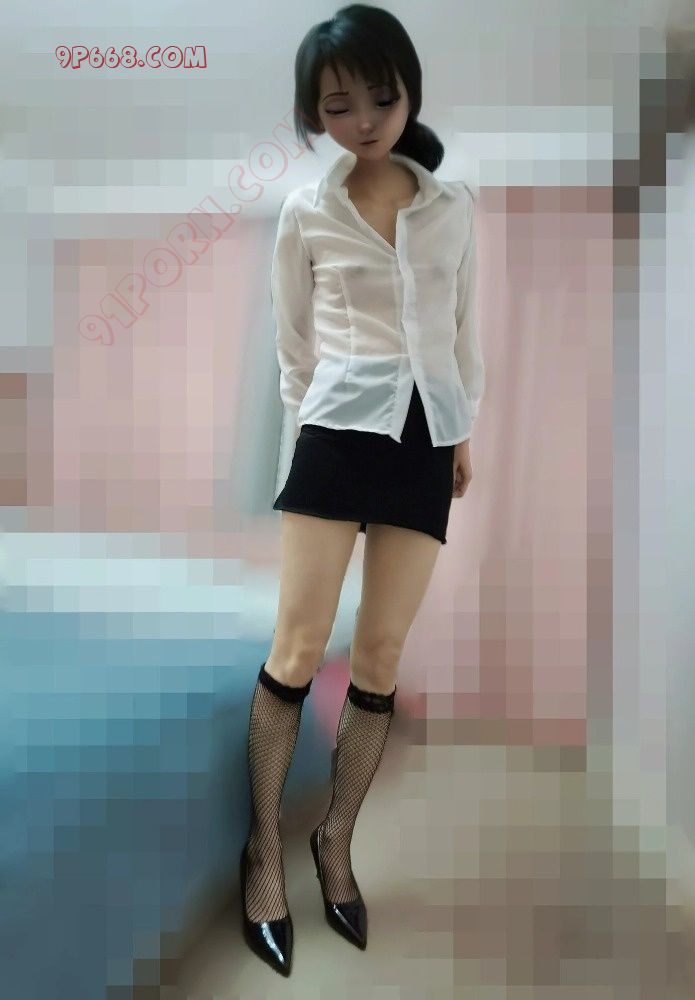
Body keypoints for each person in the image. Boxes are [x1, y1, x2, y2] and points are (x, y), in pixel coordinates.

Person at [239, 3, 485, 977]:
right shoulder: (305, 211)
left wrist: (457, 434)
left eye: (380, 98)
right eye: (338, 106)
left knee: (379, 655)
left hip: (425, 437)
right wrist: (298, 450)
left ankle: (333, 839)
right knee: (297, 647)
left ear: (408, 91)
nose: (364, 121)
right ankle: (263, 853)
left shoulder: (452, 206)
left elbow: (460, 332)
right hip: (336, 429)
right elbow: (292, 347)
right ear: (314, 114)